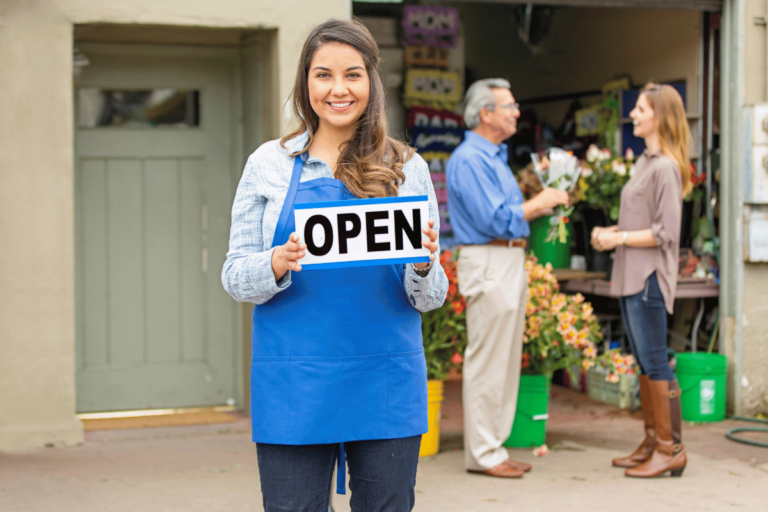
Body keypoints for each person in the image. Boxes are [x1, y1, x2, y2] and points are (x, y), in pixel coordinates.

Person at [221, 19, 448, 511]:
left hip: (385, 377)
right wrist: (276, 264)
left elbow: (429, 299)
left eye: (353, 74)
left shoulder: (407, 168)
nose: (338, 89)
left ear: (371, 82)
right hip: (293, 381)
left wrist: (427, 265)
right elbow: (236, 276)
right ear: (306, 82)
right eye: (324, 75)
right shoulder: (269, 163)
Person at [445, 79, 569, 479]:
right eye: (509, 106)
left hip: (504, 259)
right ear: (485, 113)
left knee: (503, 360)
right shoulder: (471, 158)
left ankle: (492, 448)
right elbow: (494, 219)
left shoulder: (491, 156)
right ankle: (483, 452)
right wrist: (540, 202)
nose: (516, 112)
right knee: (488, 361)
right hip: (490, 258)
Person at [591, 83, 691, 478]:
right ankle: (653, 442)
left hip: (649, 276)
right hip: (632, 274)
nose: (633, 114)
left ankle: (670, 448)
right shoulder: (645, 163)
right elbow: (639, 223)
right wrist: (611, 231)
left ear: (660, 117)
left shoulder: (665, 167)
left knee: (654, 359)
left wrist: (619, 238)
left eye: (642, 109)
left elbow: (667, 232)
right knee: (645, 362)